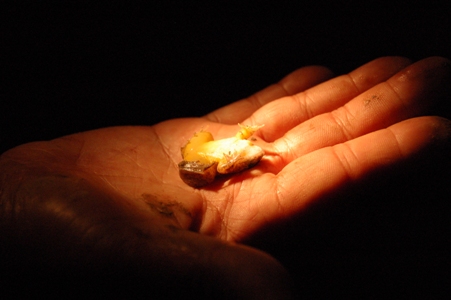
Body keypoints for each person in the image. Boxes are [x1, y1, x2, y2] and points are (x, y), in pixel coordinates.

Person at [1, 56, 450, 298]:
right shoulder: (206, 159)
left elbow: (232, 154)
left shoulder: (231, 151)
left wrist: (250, 150)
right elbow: (207, 162)